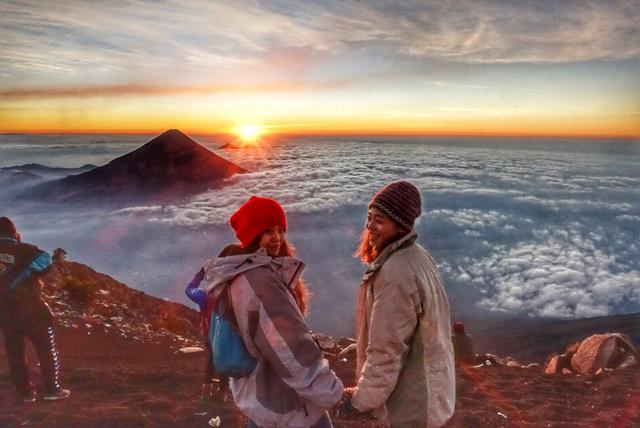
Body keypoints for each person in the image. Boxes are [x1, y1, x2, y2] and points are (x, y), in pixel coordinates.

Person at [201, 196, 343, 427]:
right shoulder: (261, 283)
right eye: (268, 231)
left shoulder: (238, 274)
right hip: (287, 406)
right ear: (252, 236)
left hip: (259, 399)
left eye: (280, 230)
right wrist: (333, 393)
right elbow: (290, 348)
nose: (277, 238)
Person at [336, 181, 455, 427]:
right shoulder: (418, 256)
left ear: (400, 225)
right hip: (432, 394)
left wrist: (360, 401)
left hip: (412, 405)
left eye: (379, 220)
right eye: (369, 218)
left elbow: (386, 350)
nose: (370, 227)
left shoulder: (396, 273)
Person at [0, 217, 70, 402]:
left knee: (15, 353)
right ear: (14, 233)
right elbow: (46, 263)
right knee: (46, 349)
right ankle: (52, 390)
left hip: (5, 312)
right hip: (32, 310)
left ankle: (25, 393)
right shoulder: (26, 250)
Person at [184, 267, 229, 401]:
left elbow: (189, 289)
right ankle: (223, 392)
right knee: (223, 360)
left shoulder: (204, 296)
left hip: (209, 333)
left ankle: (207, 390)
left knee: (211, 359)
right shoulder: (230, 295)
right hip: (227, 334)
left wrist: (200, 274)